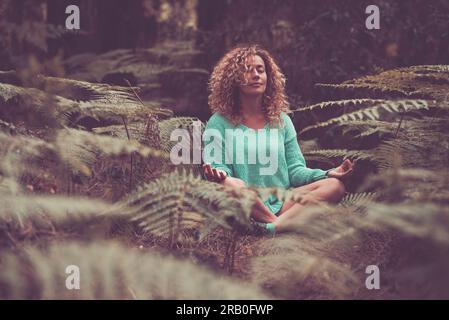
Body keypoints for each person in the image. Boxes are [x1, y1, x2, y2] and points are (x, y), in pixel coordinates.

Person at [202, 44, 356, 235]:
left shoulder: (281, 120)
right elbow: (218, 167)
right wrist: (220, 174)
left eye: (261, 70)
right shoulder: (218, 122)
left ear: (269, 77)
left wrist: (328, 173)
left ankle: (269, 228)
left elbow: (295, 170)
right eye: (247, 70)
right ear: (233, 79)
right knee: (231, 184)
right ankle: (276, 223)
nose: (256, 75)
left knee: (334, 186)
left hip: (283, 201)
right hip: (244, 205)